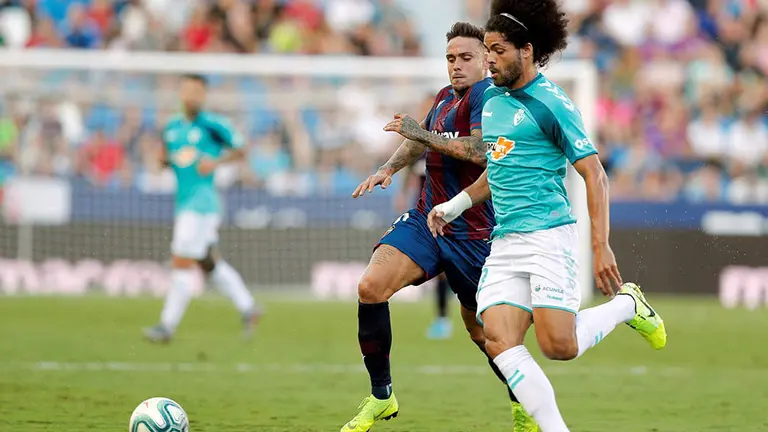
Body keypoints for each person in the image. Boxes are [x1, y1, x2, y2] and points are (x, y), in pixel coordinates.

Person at [422, 1, 667, 430]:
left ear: (527, 51)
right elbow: (499, 170)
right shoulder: (492, 101)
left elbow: (595, 175)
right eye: (488, 51)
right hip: (506, 240)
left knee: (559, 346)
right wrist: (456, 203)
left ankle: (628, 304)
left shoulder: (552, 104)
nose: (490, 61)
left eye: (497, 51)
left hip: (548, 236)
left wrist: (600, 243)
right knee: (497, 339)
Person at [342, 22, 537, 432]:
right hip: (426, 219)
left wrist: (424, 133)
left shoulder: (492, 97)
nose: (456, 65)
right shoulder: (445, 98)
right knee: (370, 287)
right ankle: (382, 397)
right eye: (450, 58)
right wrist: (388, 168)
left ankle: (525, 402)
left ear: (486, 60)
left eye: (465, 57)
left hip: (475, 234)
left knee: (488, 337)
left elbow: (482, 151)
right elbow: (420, 141)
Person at [144, 74, 261, 343]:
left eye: (197, 91)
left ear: (203, 96)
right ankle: (248, 307)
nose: (192, 96)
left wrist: (216, 162)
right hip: (183, 201)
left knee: (181, 261)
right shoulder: (171, 127)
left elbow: (242, 149)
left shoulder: (212, 125)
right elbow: (165, 158)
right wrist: (161, 161)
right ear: (181, 94)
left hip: (202, 204)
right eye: (188, 91)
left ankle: (167, 325)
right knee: (208, 262)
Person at [394, 94, 454, 341]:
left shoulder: (449, 140)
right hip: (426, 213)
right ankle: (442, 319)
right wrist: (401, 192)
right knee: (441, 268)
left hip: (453, 212)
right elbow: (408, 166)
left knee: (461, 267)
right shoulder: (419, 142)